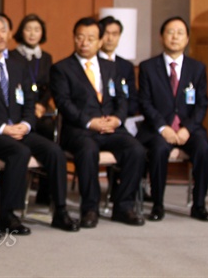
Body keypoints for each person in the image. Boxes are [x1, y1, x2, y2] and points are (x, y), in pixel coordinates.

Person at [0, 14, 79, 235]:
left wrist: (26, 123)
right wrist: (2, 128)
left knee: (54, 151)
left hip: (19, 129)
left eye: (3, 31)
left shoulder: (18, 64)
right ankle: (7, 215)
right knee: (19, 152)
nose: (0, 36)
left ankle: (60, 211)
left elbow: (29, 99)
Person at [50, 17, 146, 228]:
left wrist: (118, 119)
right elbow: (63, 103)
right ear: (74, 39)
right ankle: (90, 208)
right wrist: (88, 122)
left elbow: (122, 98)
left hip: (111, 127)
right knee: (88, 150)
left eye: (91, 38)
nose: (84, 42)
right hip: (80, 130)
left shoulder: (111, 67)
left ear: (100, 41)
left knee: (136, 150)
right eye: (80, 37)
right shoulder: (62, 68)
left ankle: (123, 206)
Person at [137, 16, 208, 222]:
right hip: (157, 127)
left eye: (180, 33)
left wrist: (187, 129)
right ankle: (158, 205)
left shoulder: (197, 68)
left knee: (204, 149)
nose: (175, 37)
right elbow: (144, 102)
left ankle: (199, 205)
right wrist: (163, 127)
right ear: (162, 37)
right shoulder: (148, 67)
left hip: (189, 127)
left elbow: (202, 103)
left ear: (187, 39)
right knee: (159, 149)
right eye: (170, 32)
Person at [8, 13, 55, 205]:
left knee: (50, 132)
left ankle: (45, 190)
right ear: (21, 32)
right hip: (19, 107)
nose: (32, 33)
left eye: (37, 30)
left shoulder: (46, 57)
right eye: (28, 29)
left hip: (40, 107)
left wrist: (42, 104)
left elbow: (51, 85)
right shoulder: (12, 55)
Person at [98, 16, 138, 116]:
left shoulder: (126, 66)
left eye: (115, 34)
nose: (110, 38)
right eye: (106, 33)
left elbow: (132, 98)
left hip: (122, 119)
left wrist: (119, 118)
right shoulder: (91, 63)